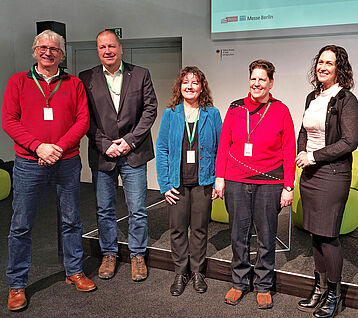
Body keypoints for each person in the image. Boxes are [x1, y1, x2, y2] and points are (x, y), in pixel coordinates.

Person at [2, 30, 95, 311]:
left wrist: (57, 148)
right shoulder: (18, 82)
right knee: (21, 225)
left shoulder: (74, 83)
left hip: (66, 161)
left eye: (54, 49)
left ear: (62, 55)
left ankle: (74, 271)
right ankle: (17, 284)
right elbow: (9, 120)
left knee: (71, 219)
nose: (48, 52)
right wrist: (38, 147)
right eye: (43, 48)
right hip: (29, 162)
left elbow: (83, 121)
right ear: (34, 51)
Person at [215, 59, 296, 309]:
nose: (256, 83)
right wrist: (220, 178)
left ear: (271, 83)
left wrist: (288, 186)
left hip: (270, 182)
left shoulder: (281, 110)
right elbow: (224, 145)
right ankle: (239, 282)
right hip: (236, 180)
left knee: (266, 235)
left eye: (262, 79)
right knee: (238, 235)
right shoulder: (235, 108)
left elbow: (289, 149)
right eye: (253, 78)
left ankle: (263, 284)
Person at [79, 30, 158, 282]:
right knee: (104, 209)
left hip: (133, 152)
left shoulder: (141, 74)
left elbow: (150, 110)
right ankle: (109, 253)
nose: (107, 51)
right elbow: (85, 118)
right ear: (98, 50)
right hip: (103, 154)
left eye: (111, 46)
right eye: (102, 47)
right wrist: (104, 144)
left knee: (137, 208)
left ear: (120, 48)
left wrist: (129, 141)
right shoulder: (86, 77)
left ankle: (137, 255)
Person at [295, 45, 358, 318]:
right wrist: (301, 151)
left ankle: (334, 294)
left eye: (329, 63)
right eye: (320, 62)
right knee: (315, 233)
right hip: (310, 174)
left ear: (339, 68)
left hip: (332, 174)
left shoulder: (347, 99)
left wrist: (313, 156)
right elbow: (304, 129)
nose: (323, 67)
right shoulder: (313, 96)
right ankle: (319, 287)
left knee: (328, 235)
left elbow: (349, 142)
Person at [156, 66, 222, 296]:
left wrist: (217, 180)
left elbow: (221, 149)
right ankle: (180, 272)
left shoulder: (211, 113)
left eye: (195, 82)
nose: (190, 86)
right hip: (177, 183)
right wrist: (165, 185)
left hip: (203, 181)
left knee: (200, 229)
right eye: (186, 82)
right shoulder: (170, 114)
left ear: (201, 87)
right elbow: (162, 149)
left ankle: (197, 272)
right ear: (179, 86)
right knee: (177, 229)